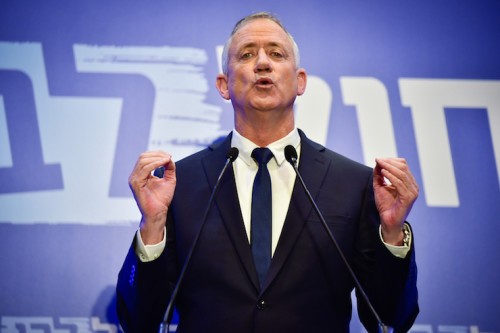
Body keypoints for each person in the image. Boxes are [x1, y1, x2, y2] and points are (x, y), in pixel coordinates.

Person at [117, 12, 419, 333]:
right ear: (224, 85)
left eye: (276, 54)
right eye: (247, 54)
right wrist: (152, 228)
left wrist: (392, 234)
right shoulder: (181, 183)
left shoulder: (353, 183)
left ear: (300, 81)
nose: (262, 63)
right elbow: (139, 321)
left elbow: (389, 318)